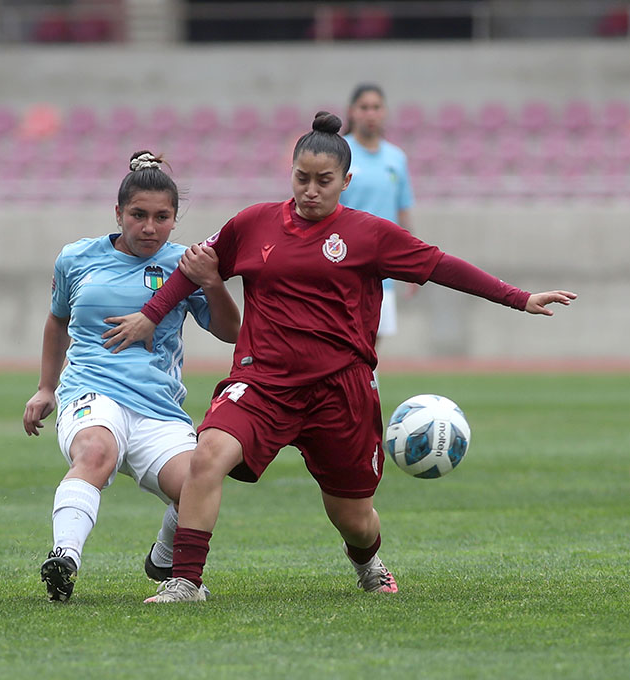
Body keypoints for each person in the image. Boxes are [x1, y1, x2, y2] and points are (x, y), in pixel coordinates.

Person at [102, 114, 576, 603]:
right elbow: (196, 266)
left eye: (323, 181)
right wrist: (151, 315)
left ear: (346, 181)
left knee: (351, 515)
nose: (311, 190)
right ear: (291, 173)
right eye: (301, 178)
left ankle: (369, 562)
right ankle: (186, 580)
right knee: (207, 457)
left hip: (340, 390)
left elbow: (439, 267)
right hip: (263, 382)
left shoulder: (370, 234)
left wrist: (518, 298)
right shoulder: (252, 223)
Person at [22, 151, 241, 602]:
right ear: (117, 212)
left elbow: (231, 332)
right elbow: (56, 321)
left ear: (175, 220)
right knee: (96, 453)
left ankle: (165, 557)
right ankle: (64, 558)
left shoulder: (186, 264)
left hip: (158, 409)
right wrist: (46, 387)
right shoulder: (76, 258)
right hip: (92, 391)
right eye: (138, 215)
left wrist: (214, 282)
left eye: (162, 217)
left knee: (198, 483)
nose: (149, 227)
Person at [339, 83, 416, 346]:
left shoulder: (396, 158)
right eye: (364, 107)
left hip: (382, 269)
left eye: (376, 107)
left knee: (372, 346)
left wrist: (412, 263)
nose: (370, 113)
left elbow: (402, 211)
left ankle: (367, 388)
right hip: (345, 264)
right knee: (345, 342)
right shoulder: (340, 153)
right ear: (352, 112)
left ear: (384, 112)